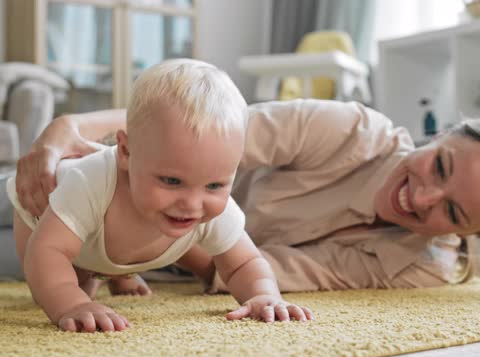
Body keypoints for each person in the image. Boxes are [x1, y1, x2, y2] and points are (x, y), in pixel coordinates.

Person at [15, 98, 480, 293]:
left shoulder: (422, 266)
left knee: (21, 264)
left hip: (156, 254)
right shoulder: (348, 130)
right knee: (20, 196)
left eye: (452, 212)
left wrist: (134, 249)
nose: (423, 197)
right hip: (113, 187)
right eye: (439, 164)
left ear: (467, 236)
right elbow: (192, 130)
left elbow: (247, 270)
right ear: (438, 136)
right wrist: (66, 127)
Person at [6, 59, 313, 333]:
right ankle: (102, 275)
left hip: (105, 240)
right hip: (41, 210)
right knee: (62, 286)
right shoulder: (91, 182)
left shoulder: (208, 206)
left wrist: (264, 295)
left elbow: (244, 263)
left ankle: (115, 273)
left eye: (215, 186)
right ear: (125, 152)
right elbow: (47, 252)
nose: (192, 204)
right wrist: (71, 304)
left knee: (110, 253)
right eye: (171, 180)